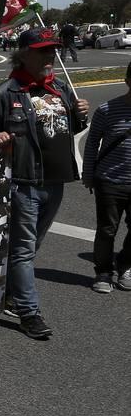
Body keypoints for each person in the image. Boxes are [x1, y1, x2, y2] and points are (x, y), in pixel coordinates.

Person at [0, 28, 89, 339]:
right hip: (24, 182)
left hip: (56, 181)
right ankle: (29, 312)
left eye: (52, 50)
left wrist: (81, 114)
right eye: (42, 50)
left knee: (32, 245)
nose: (49, 56)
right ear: (24, 53)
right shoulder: (6, 93)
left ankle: (11, 292)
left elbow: (69, 129)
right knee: (25, 249)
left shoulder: (61, 89)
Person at [81, 61, 131, 293]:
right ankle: (103, 272)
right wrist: (88, 173)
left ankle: (126, 265)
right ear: (128, 81)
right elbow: (91, 144)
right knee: (107, 229)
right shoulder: (107, 110)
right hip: (110, 180)